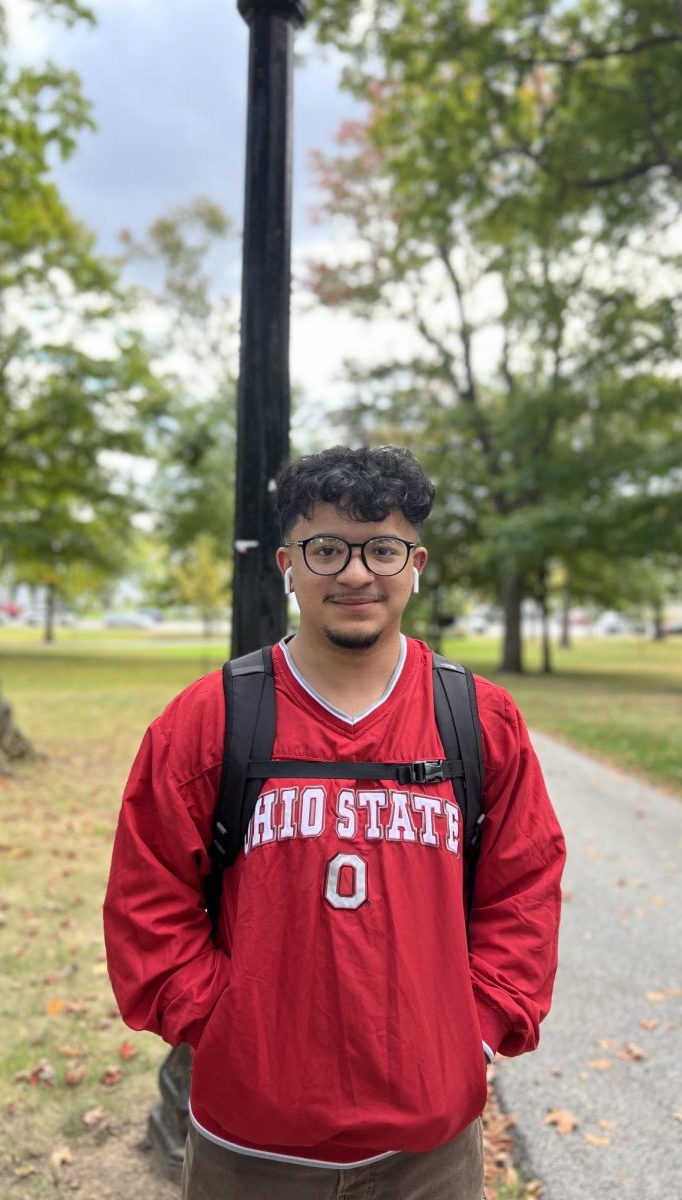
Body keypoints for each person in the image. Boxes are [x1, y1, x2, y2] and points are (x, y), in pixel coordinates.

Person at [103, 445, 565, 1200]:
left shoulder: (478, 720)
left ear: (416, 563)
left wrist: (477, 1028)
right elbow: (145, 901)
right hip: (252, 1142)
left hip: (430, 1144)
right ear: (287, 562)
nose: (356, 574)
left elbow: (525, 888)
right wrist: (223, 1026)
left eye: (382, 548)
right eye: (327, 549)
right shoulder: (208, 721)